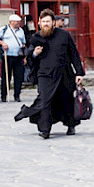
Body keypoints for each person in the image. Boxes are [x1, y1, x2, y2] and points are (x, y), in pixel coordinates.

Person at [14, 9, 85, 139]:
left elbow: (73, 54)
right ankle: (45, 130)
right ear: (39, 23)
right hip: (45, 75)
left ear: (53, 23)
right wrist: (35, 54)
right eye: (43, 21)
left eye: (48, 21)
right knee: (45, 101)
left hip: (64, 74)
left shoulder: (64, 35)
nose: (46, 24)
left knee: (66, 100)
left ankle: (71, 125)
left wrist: (79, 73)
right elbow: (29, 58)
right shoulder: (36, 38)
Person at [0, 14, 27, 103]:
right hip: (7, 56)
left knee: (19, 76)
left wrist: (24, 55)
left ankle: (17, 95)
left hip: (18, 56)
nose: (18, 23)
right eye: (16, 22)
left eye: (19, 22)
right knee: (6, 76)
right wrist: (3, 43)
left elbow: (23, 43)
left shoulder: (21, 31)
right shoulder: (4, 29)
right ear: (11, 22)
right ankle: (4, 95)